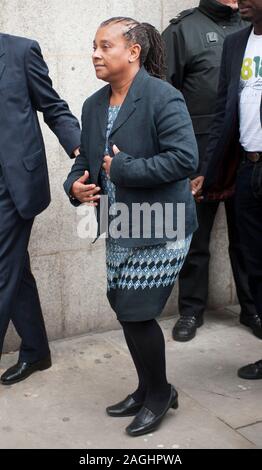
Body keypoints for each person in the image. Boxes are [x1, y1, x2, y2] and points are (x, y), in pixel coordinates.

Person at [64, 17, 198, 436]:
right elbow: (84, 161)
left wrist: (122, 167)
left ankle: (159, 396)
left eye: (106, 46)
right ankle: (148, 388)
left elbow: (184, 159)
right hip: (122, 223)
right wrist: (76, 186)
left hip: (163, 224)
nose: (96, 54)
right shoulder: (92, 104)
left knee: (136, 312)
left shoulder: (163, 97)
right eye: (94, 45)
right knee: (126, 311)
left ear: (133, 51)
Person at [162, 0, 258, 343]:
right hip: (199, 157)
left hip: (245, 156)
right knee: (194, 238)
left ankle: (252, 308)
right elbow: (163, 95)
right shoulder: (181, 30)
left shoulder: (250, 27)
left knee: (247, 239)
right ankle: (191, 310)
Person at [0, 33, 81, 385]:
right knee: (15, 270)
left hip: (12, 186)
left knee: (2, 271)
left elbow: (53, 107)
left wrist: (82, 150)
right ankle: (36, 351)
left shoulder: (20, 51)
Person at [196, 0, 262, 379]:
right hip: (246, 169)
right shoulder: (236, 43)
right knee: (255, 266)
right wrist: (210, 169)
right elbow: (224, 111)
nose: (242, 0)